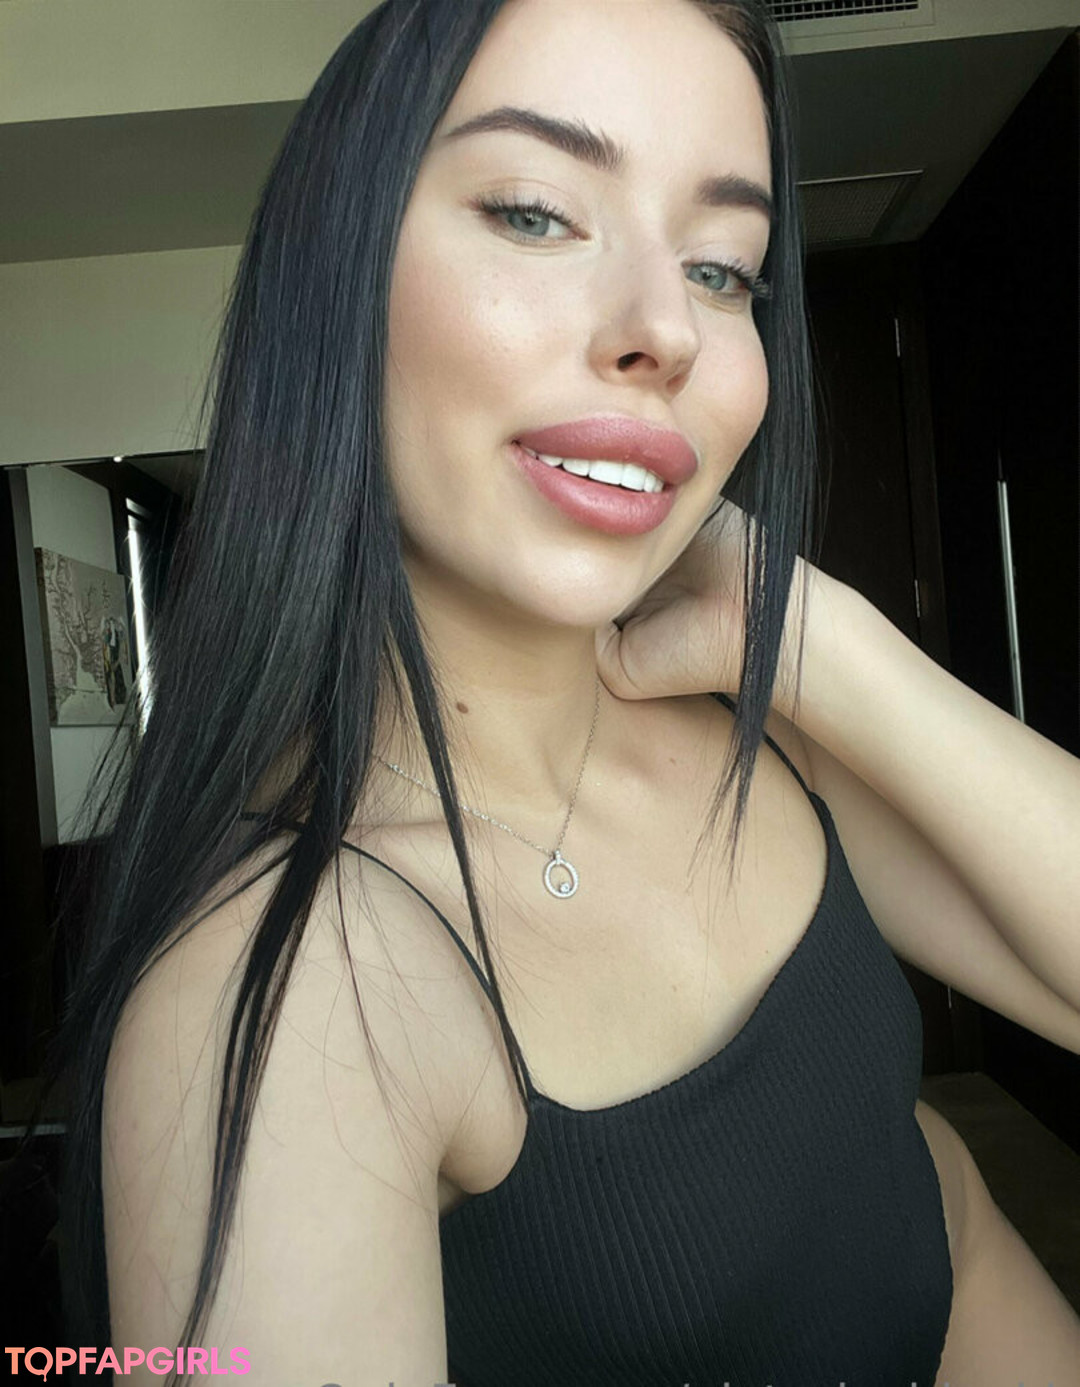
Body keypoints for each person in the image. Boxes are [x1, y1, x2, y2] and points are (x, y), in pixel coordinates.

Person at [27, 1, 1080, 1384]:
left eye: (724, 268)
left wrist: (815, 636)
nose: (666, 330)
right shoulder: (292, 995)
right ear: (337, 281)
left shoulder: (766, 742)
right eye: (534, 214)